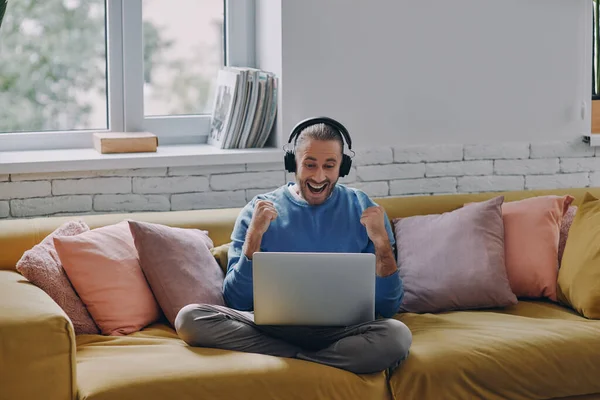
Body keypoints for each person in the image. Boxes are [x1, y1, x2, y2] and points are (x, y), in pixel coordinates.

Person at [175, 117, 412, 375]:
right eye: (310, 165)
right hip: (270, 328)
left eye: (329, 166)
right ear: (293, 164)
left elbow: (389, 307)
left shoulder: (363, 208)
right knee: (190, 319)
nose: (319, 176)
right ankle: (317, 362)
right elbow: (236, 300)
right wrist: (254, 237)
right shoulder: (259, 210)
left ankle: (294, 361)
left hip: (342, 331)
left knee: (397, 336)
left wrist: (382, 245)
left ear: (342, 167)